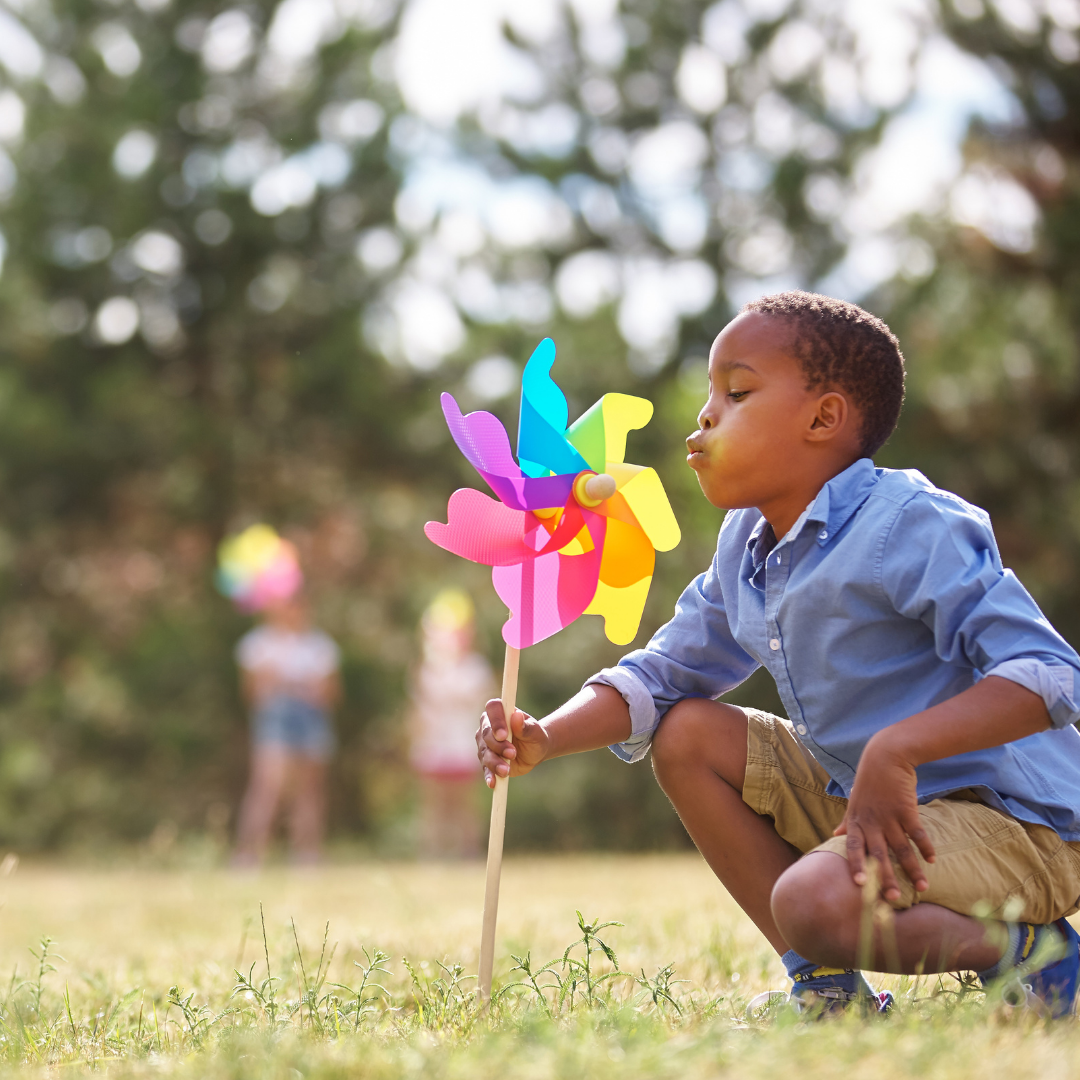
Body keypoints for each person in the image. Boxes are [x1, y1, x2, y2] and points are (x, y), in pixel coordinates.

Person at [477, 291, 1080, 1018]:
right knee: (689, 732)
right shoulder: (745, 543)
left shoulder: (909, 523)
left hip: (1019, 823)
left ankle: (1038, 957)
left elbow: (1048, 674)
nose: (705, 415)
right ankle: (830, 992)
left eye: (736, 393)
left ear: (823, 418)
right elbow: (664, 675)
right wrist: (545, 736)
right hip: (871, 793)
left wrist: (898, 751)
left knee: (811, 902)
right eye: (710, 395)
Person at [232, 592, 341, 866]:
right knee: (268, 786)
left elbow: (332, 693)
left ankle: (307, 854)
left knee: (309, 789)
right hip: (275, 719)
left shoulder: (319, 645)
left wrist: (310, 689)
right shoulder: (258, 643)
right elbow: (250, 693)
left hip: (311, 719)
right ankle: (249, 855)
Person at [410, 590, 494, 858]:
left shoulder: (475, 667)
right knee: (434, 804)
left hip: (463, 743)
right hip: (434, 742)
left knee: (465, 803)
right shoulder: (427, 669)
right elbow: (420, 706)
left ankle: (468, 852)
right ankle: (432, 853)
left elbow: (486, 701)